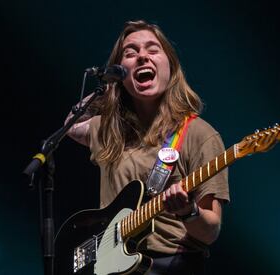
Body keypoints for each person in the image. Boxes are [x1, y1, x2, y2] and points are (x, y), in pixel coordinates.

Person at [66, 20, 230, 275]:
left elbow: (210, 232)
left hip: (169, 266)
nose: (142, 56)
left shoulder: (200, 135)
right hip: (111, 266)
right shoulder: (108, 129)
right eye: (130, 54)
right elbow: (70, 127)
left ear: (171, 66)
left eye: (153, 50)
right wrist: (108, 87)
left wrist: (189, 211)